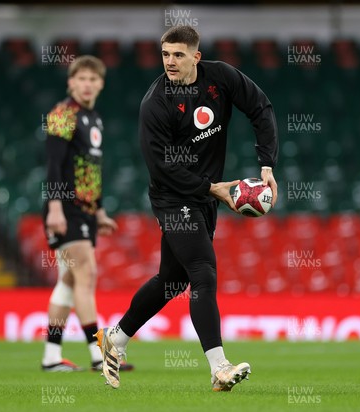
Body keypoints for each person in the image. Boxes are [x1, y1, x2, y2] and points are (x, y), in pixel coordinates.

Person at [95, 26, 278, 390]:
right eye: (165, 55)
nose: (170, 62)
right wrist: (214, 189)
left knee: (171, 281)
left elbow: (260, 107)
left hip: (206, 197)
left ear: (196, 55)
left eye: (178, 55)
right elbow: (161, 165)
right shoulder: (156, 103)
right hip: (172, 196)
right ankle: (219, 367)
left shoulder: (221, 78)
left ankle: (114, 338)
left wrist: (267, 165)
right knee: (202, 271)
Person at [41, 55, 133, 373]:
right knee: (87, 274)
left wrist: (100, 210)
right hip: (66, 208)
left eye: (93, 79)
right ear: (71, 82)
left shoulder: (94, 118)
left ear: (101, 84)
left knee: (67, 281)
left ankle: (51, 356)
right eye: (82, 78)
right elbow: (53, 164)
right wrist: (55, 207)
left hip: (85, 210)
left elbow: (91, 170)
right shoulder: (62, 115)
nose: (87, 84)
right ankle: (100, 356)